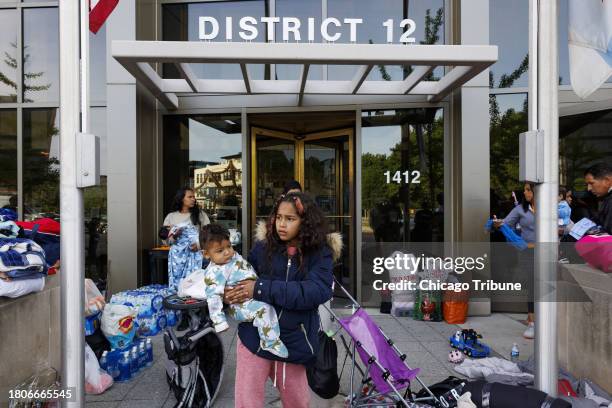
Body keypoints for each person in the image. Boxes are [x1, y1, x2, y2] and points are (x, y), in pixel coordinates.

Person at [224, 192, 341, 408]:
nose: (282, 224)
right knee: (246, 403)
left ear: (305, 222)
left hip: (294, 341)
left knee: (297, 403)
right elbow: (243, 277)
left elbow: (315, 291)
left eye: (290, 219)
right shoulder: (263, 246)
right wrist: (227, 292)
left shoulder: (320, 252)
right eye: (278, 217)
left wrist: (260, 288)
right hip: (254, 337)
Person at [199, 223, 288, 358]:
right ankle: (270, 341)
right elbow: (213, 297)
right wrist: (220, 322)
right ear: (206, 254)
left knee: (267, 307)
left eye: (229, 246)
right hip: (239, 305)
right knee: (265, 309)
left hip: (252, 296)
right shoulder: (214, 272)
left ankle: (264, 327)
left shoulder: (231, 258)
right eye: (220, 250)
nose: (227, 252)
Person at [494, 183, 536, 339]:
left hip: (548, 252)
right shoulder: (520, 209)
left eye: (528, 190)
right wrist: (497, 223)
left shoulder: (552, 207)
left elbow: (564, 225)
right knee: (532, 285)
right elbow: (506, 223)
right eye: (524, 190)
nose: (525, 192)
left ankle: (546, 321)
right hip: (528, 252)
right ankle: (532, 322)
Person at [163, 187, 210, 293]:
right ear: (181, 199)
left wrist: (198, 245)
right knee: (177, 285)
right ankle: (179, 304)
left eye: (194, 197)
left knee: (195, 283)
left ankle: (194, 308)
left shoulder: (200, 215)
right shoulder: (171, 217)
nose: (193, 199)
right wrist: (174, 236)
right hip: (176, 258)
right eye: (190, 197)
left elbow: (209, 234)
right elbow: (166, 240)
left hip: (196, 255)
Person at [584, 163, 612, 234]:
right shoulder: (607, 197)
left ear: (607, 181)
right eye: (587, 184)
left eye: (591, 183)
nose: (589, 188)